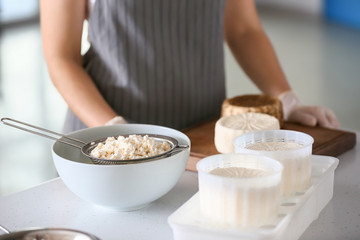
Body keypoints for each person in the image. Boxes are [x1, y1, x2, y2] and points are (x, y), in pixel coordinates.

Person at [40, 0, 339, 133]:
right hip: (105, 139)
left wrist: (284, 98)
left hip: (203, 137)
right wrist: (114, 130)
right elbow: (61, 57)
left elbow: (243, 29)